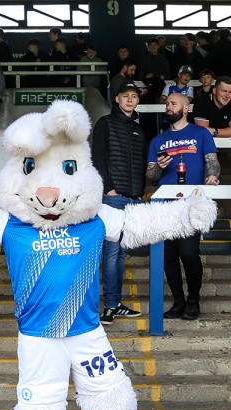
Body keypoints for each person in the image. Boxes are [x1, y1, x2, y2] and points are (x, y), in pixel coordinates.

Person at [145, 93, 220, 320]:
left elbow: (212, 161)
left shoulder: (200, 133)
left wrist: (213, 176)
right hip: (165, 206)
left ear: (186, 108)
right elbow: (151, 176)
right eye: (167, 103)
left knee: (188, 253)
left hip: (191, 204)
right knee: (168, 257)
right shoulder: (158, 140)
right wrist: (158, 166)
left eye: (173, 103)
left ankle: (193, 300)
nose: (168, 107)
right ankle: (178, 302)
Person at [93, 82, 146, 325]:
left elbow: (141, 163)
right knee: (111, 251)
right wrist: (108, 189)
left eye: (134, 96)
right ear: (117, 98)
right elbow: (98, 158)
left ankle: (115, 304)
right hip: (113, 198)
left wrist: (140, 193)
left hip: (133, 199)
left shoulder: (139, 129)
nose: (130, 99)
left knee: (122, 253)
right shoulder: (105, 123)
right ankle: (109, 307)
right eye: (126, 96)